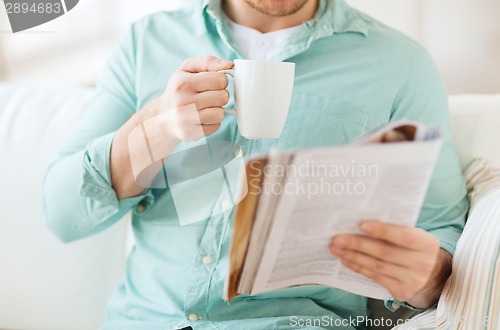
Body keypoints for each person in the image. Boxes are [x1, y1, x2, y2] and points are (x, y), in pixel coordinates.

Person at [43, 0, 468, 329]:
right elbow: (62, 214)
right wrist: (154, 132)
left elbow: (442, 230)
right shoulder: (146, 42)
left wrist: (427, 278)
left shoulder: (401, 65)